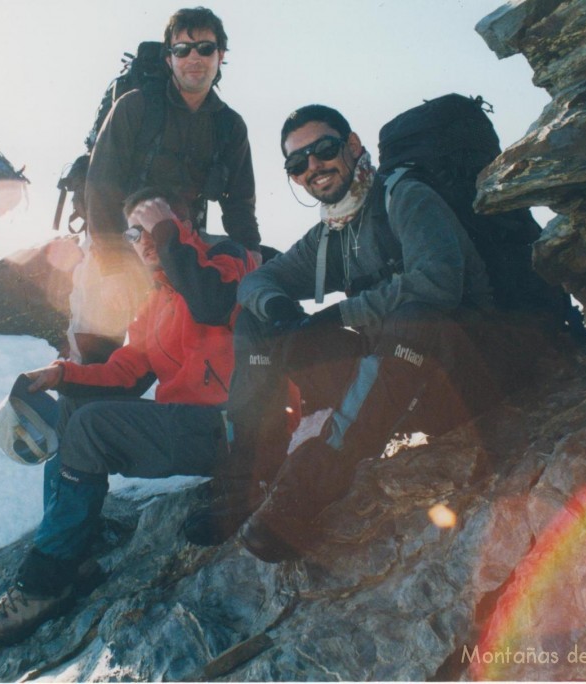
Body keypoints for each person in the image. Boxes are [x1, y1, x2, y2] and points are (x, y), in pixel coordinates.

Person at [185, 104, 543, 561]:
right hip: (394, 388)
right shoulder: (333, 234)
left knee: (416, 315)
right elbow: (258, 282)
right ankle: (245, 483)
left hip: (464, 375)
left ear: (353, 146)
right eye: (298, 163)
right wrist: (278, 310)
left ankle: (308, 490)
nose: (313, 167)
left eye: (324, 150)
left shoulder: (404, 197)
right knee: (259, 321)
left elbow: (437, 281)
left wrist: (336, 315)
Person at [0, 187, 256, 648]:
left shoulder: (228, 261)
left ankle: (43, 584)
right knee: (75, 410)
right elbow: (125, 373)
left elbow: (212, 305)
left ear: (187, 223)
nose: (142, 240)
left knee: (91, 427)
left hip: (237, 428)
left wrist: (168, 235)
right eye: (133, 231)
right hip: (189, 426)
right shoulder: (155, 302)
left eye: (154, 224)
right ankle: (72, 557)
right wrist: (59, 375)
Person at [68, 6, 261, 365]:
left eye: (205, 48)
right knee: (97, 345)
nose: (194, 58)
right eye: (182, 49)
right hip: (119, 240)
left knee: (187, 351)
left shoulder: (230, 127)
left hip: (181, 245)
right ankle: (77, 418)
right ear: (168, 57)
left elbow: (239, 204)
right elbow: (101, 186)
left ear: (221, 56)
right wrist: (110, 268)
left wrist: (251, 262)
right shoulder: (135, 106)